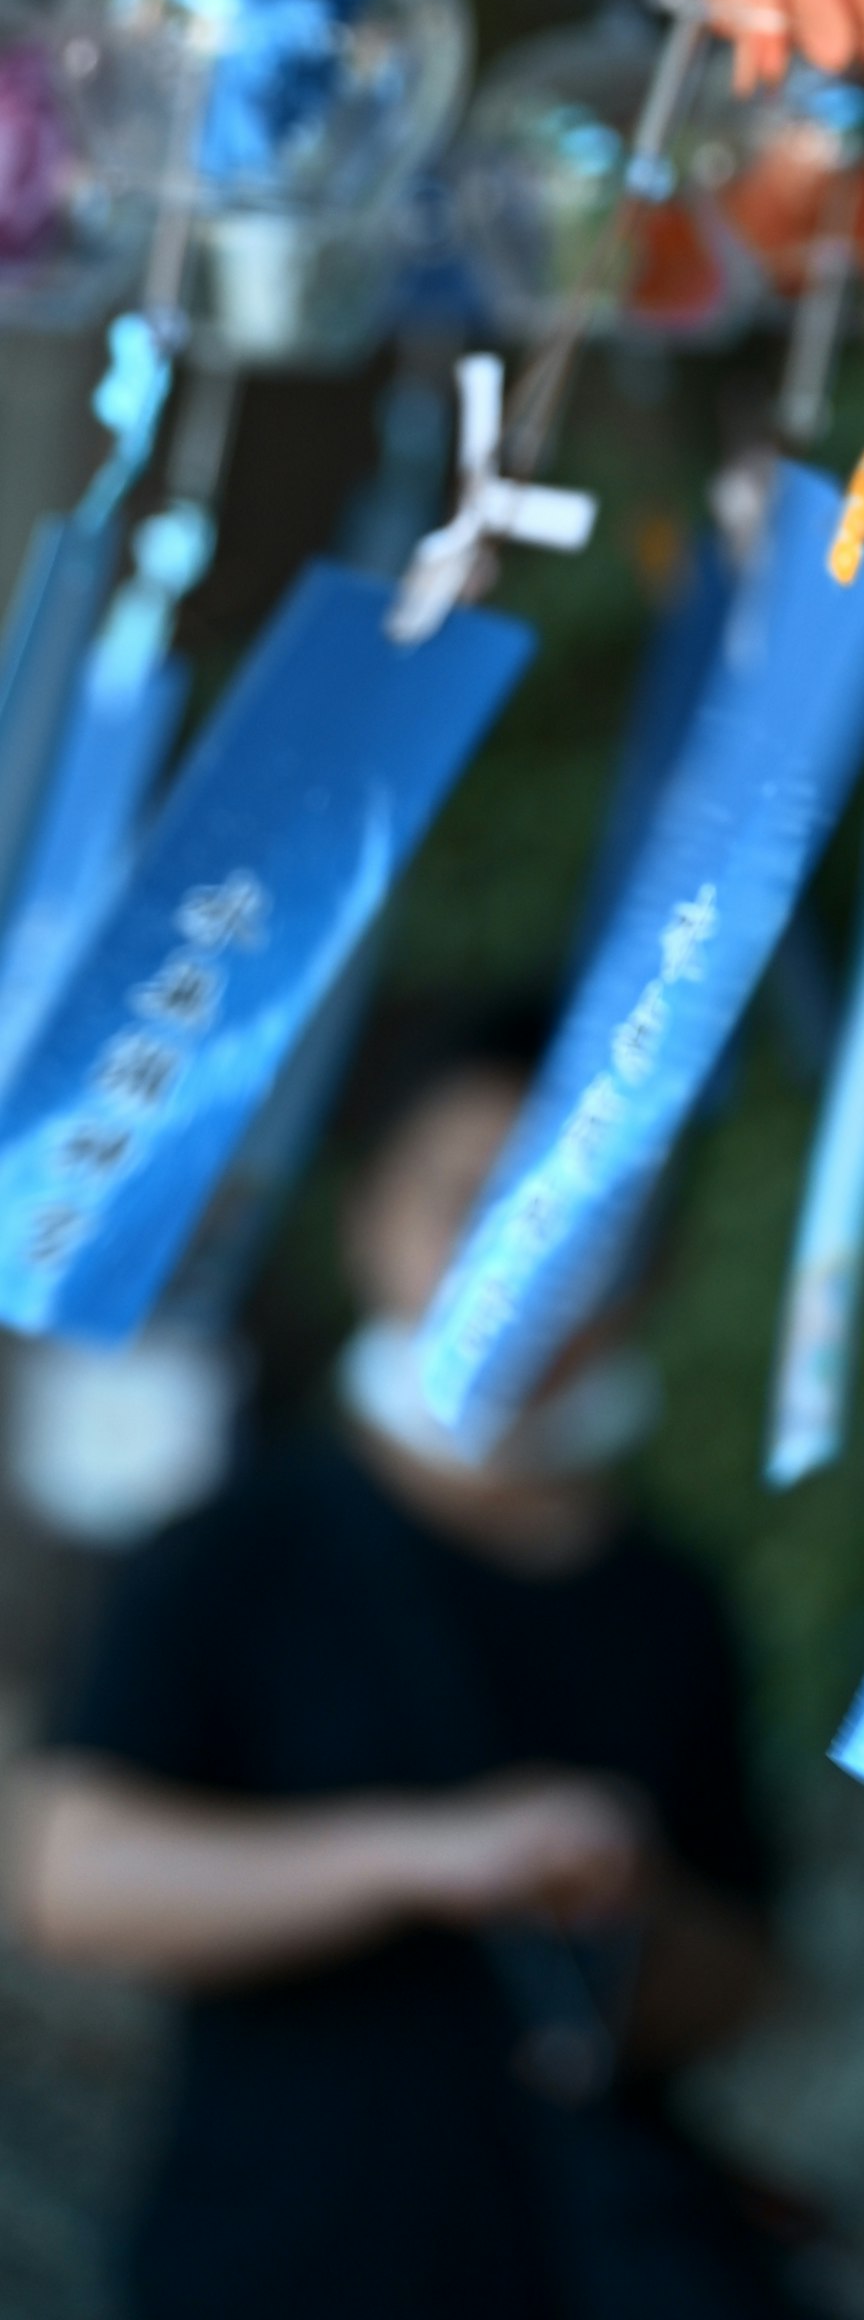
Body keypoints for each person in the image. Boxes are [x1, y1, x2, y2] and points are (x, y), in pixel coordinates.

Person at [4, 991, 796, 2320]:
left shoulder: (675, 1603)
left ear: (652, 1267)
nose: (522, 1269)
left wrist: (622, 1909)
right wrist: (426, 1857)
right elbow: (64, 1877)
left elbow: (743, 1985)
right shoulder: (235, 1552)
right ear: (369, 1215)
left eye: (581, 1226)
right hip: (283, 2264)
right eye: (472, 1204)